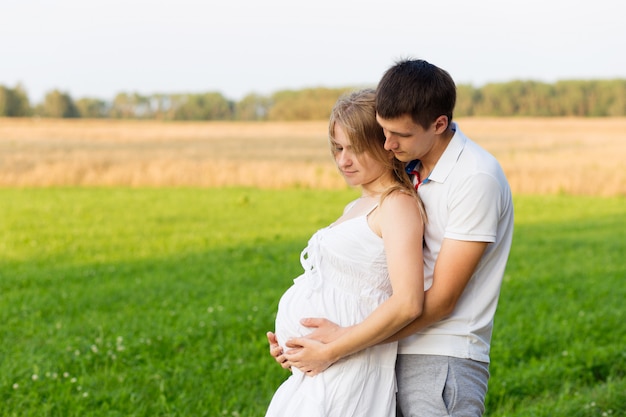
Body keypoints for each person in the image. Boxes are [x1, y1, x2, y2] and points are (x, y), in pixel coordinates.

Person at [267, 59, 514, 416]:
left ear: (439, 124)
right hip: (387, 348)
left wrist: (337, 343)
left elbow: (440, 301)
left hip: (439, 353)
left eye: (398, 134)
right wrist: (305, 343)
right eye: (382, 131)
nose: (386, 143)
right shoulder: (413, 167)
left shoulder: (475, 178)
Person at [265, 88, 426, 417]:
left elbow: (408, 302)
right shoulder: (357, 205)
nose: (343, 161)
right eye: (337, 148)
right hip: (321, 371)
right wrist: (294, 346)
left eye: (356, 149)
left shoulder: (396, 204)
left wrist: (328, 351)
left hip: (350, 368)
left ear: (385, 144)